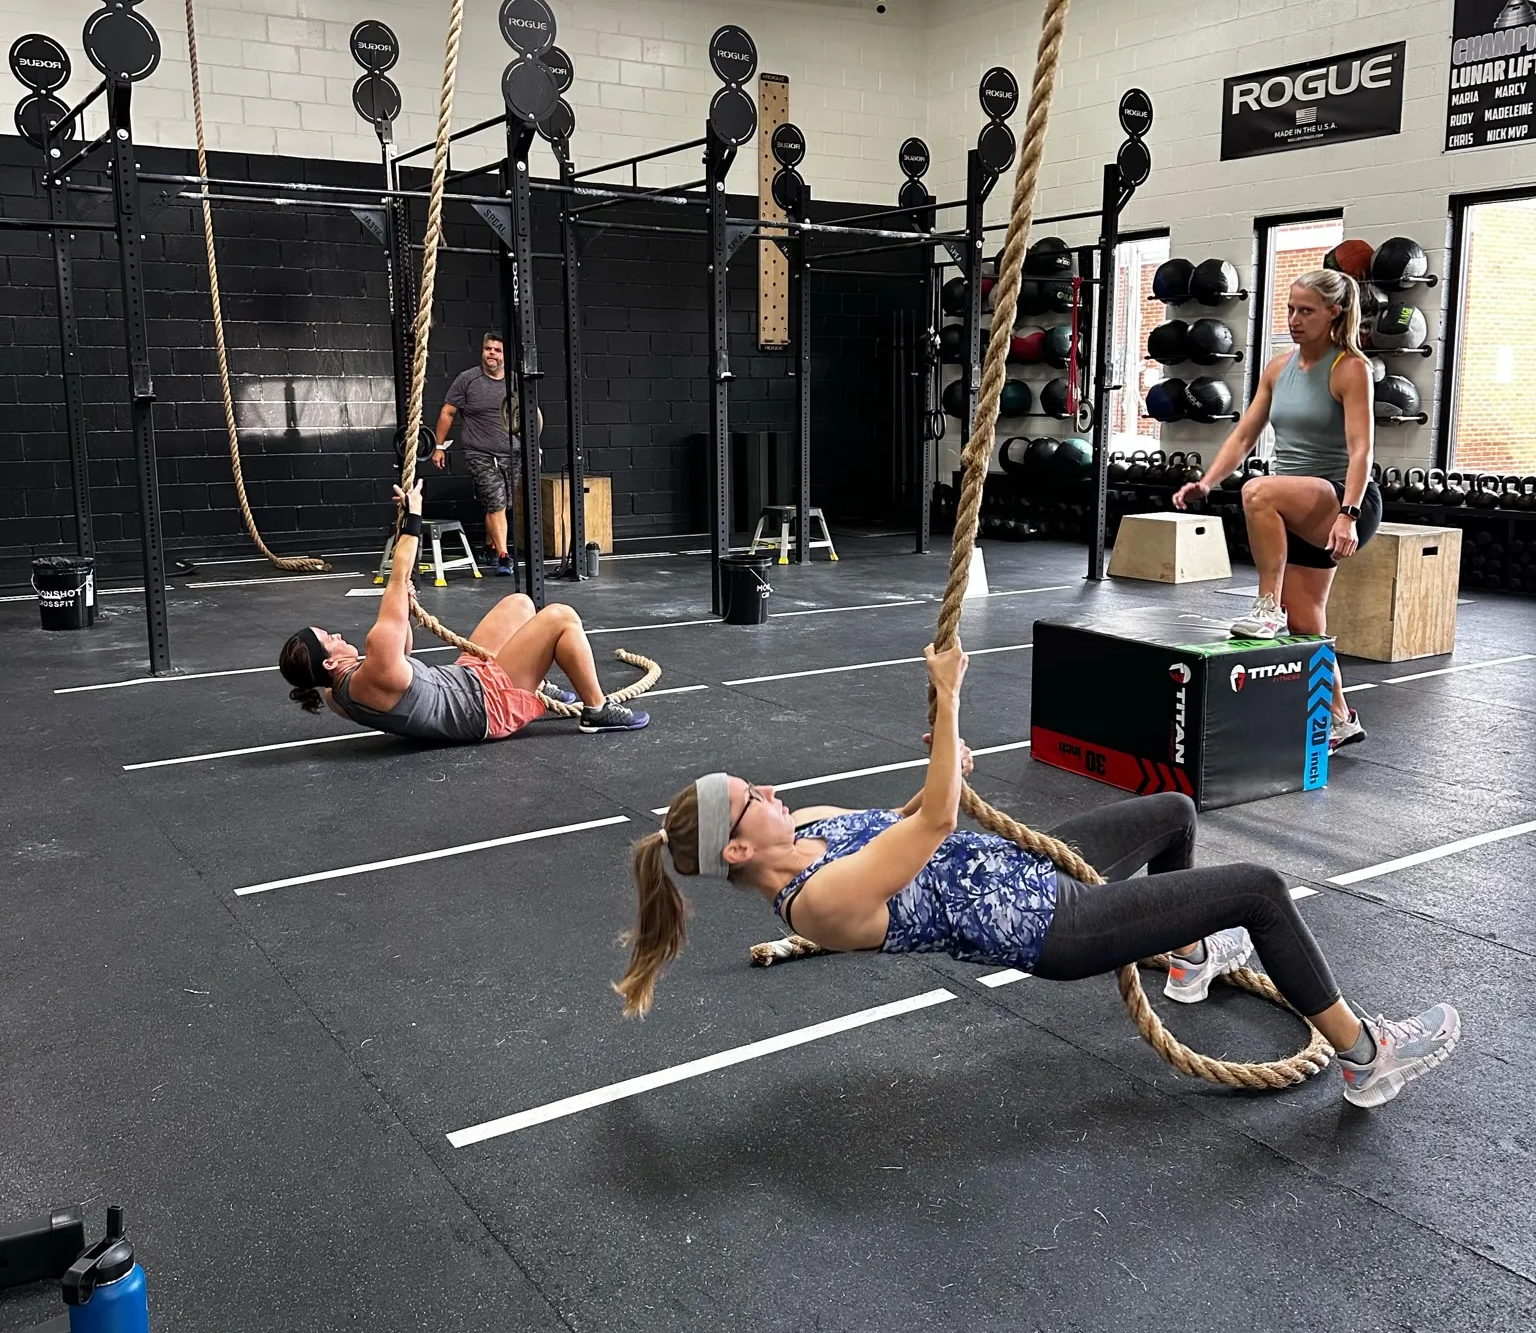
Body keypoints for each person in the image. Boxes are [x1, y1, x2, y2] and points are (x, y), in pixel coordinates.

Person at [618, 644, 1459, 1111]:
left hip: (1023, 865)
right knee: (1262, 889)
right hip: (1052, 927)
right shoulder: (818, 905)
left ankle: (1190, 955)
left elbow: (915, 812)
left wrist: (948, 758)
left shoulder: (806, 826)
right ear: (736, 850)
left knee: (1173, 809)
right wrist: (949, 701)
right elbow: (936, 824)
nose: (768, 790)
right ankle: (1364, 1055)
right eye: (750, 798)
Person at [1171, 265, 1380, 753]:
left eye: (1306, 310)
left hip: (1343, 497)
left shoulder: (1350, 368)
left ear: (1335, 312)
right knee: (1308, 622)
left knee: (1259, 491)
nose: (1294, 319)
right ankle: (1341, 717)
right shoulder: (1279, 367)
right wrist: (1208, 480)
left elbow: (1360, 451)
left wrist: (1348, 514)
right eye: (1290, 308)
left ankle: (1266, 610)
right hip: (1301, 505)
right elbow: (1245, 433)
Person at [279, 484, 647, 739]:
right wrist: (413, 515)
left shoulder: (333, 695)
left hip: (462, 683)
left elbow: (402, 657)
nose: (339, 635)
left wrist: (404, 607)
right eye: (331, 639)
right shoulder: (374, 662)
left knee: (519, 604)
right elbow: (398, 572)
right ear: (329, 663)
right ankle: (597, 712)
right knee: (561, 616)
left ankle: (535, 680)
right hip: (487, 706)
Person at [433, 331, 538, 578]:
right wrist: (438, 447)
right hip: (479, 453)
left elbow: (529, 416)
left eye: (497, 350)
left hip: (511, 454)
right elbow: (447, 413)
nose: (491, 353)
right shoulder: (467, 380)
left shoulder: (514, 382)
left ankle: (489, 546)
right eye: (488, 349)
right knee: (497, 503)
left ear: (504, 356)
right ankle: (503, 556)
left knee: (502, 504)